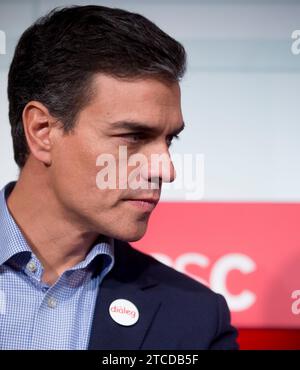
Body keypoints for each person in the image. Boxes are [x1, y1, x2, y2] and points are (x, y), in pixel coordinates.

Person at [0, 5, 238, 349]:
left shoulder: (195, 320)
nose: (165, 169)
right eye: (133, 136)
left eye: (169, 140)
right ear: (41, 131)